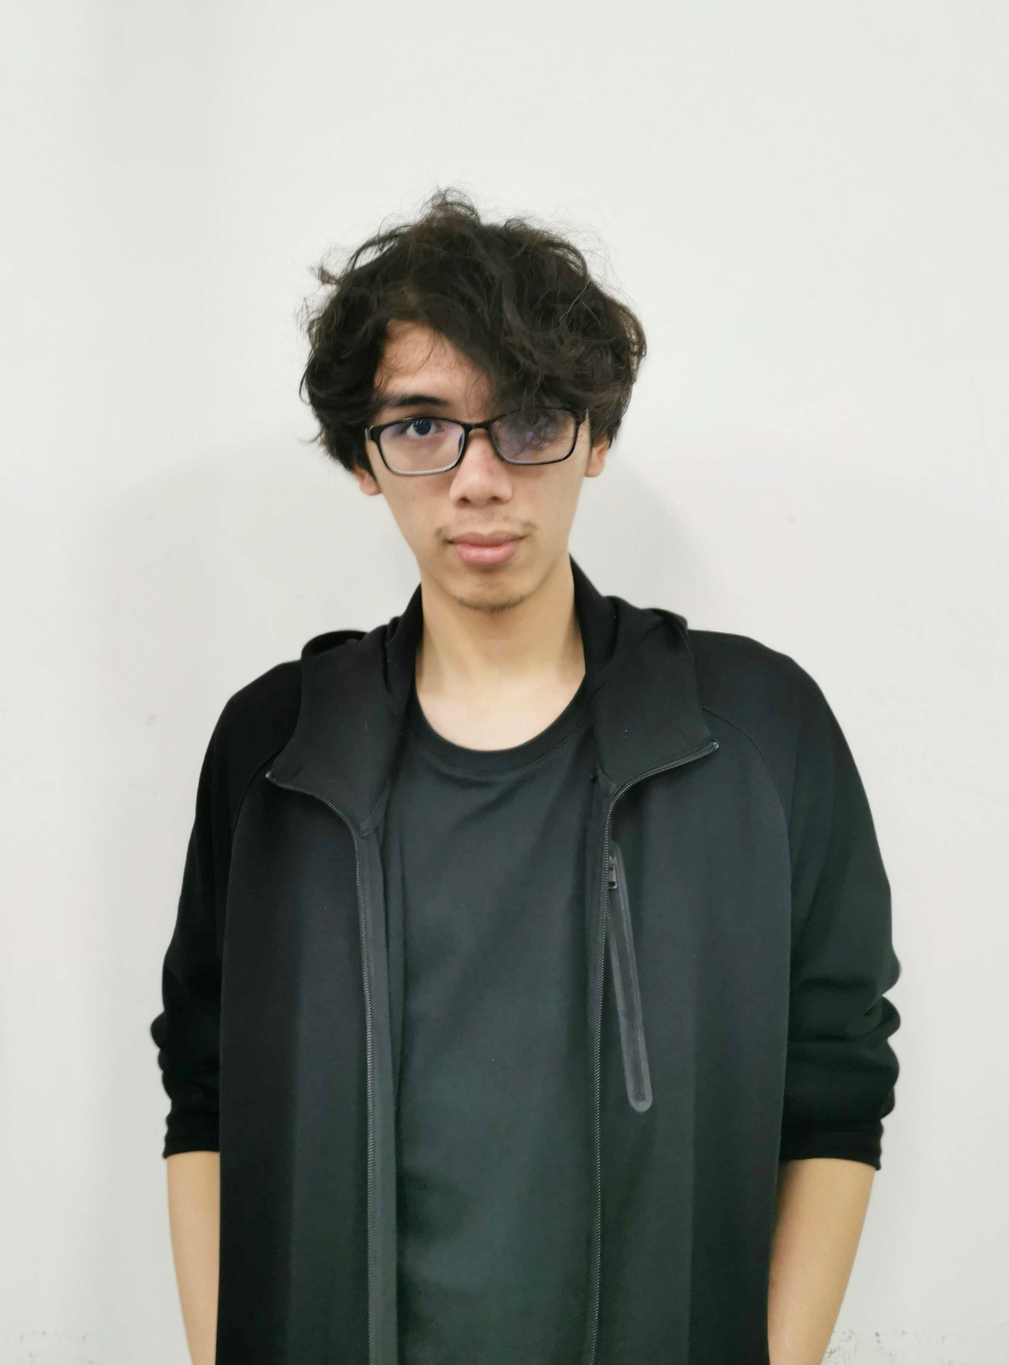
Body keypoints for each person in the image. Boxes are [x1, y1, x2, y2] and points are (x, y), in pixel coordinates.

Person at [150, 188, 901, 1365]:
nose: (478, 479)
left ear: (593, 439)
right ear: (365, 457)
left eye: (530, 421)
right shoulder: (274, 752)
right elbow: (204, 1090)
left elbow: (836, 1089)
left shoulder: (754, 735)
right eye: (421, 426)